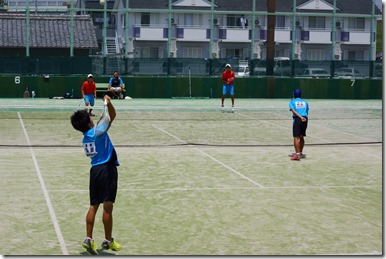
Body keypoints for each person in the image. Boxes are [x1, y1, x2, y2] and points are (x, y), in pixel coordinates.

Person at [70, 95, 122, 255]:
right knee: (107, 208)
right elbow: (109, 117)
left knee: (93, 206)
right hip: (107, 170)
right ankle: (108, 241)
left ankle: (89, 239)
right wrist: (106, 103)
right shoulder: (97, 133)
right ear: (88, 122)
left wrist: (109, 104)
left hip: (95, 172)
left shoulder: (86, 138)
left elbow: (109, 118)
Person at [289, 89, 309, 161]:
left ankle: (297, 154)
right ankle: (300, 153)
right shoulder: (305, 102)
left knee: (296, 137)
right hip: (305, 119)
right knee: (301, 136)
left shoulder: (292, 102)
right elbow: (306, 111)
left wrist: (300, 117)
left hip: (298, 119)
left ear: (294, 95)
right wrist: (303, 118)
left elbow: (293, 110)